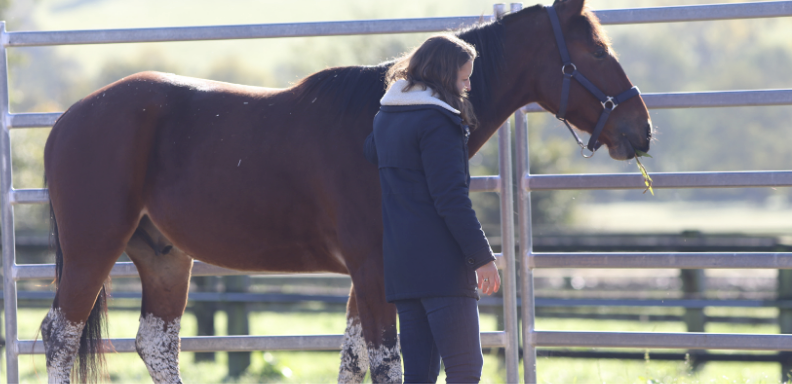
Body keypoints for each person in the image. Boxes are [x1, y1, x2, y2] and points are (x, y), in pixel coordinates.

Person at [363, 34, 501, 383]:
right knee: (465, 371)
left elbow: (371, 153)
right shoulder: (439, 121)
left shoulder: (385, 118)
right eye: (463, 78)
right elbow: (451, 198)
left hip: (402, 265)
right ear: (442, 75)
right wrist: (481, 257)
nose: (469, 86)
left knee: (420, 375)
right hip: (442, 266)